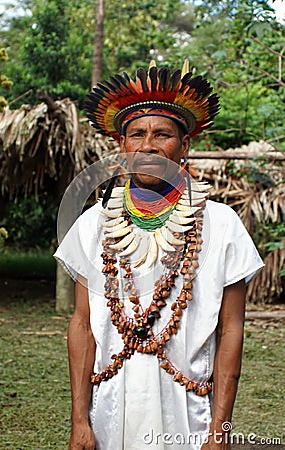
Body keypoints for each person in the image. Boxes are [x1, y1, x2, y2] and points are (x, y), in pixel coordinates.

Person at [55, 60, 264, 450]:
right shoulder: (92, 225)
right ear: (122, 146)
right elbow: (82, 325)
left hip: (189, 416)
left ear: (184, 146)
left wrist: (219, 431)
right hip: (110, 413)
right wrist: (79, 422)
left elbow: (231, 330)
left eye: (162, 134)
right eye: (136, 134)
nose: (148, 145)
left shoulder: (221, 225)